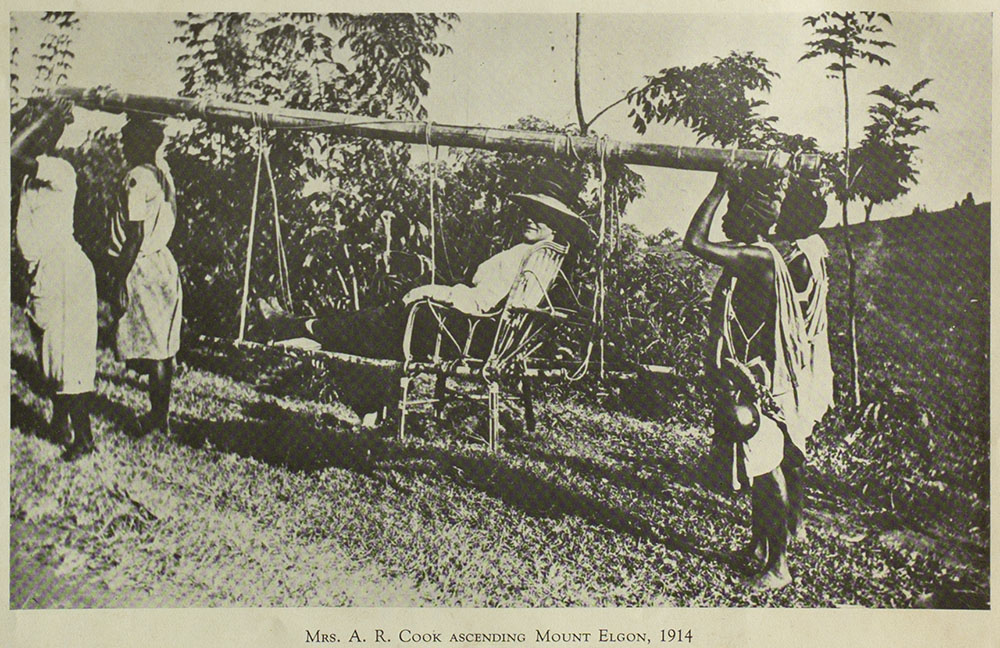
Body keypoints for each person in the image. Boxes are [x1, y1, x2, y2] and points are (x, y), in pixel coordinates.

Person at [683, 161, 833, 589]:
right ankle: (760, 548)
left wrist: (718, 187)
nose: (726, 218)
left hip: (762, 382)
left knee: (767, 473)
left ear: (751, 216)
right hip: (761, 377)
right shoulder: (769, 256)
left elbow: (693, 241)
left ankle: (778, 566)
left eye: (733, 210)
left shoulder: (758, 258)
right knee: (762, 466)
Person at [260, 183, 592, 362]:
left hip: (465, 336)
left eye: (541, 216)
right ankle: (302, 330)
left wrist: (433, 291)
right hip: (484, 338)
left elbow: (481, 303)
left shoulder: (526, 255)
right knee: (373, 323)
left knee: (376, 321)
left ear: (557, 225)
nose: (530, 219)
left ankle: (293, 326)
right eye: (530, 212)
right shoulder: (547, 260)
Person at [12, 98, 98, 461]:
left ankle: (84, 439)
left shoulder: (58, 169)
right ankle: (60, 424)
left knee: (67, 357)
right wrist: (32, 110)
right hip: (46, 271)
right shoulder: (32, 175)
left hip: (65, 268)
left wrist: (46, 116)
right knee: (51, 352)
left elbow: (9, 152)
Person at [110, 115, 183, 437]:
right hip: (163, 262)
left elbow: (135, 235)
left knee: (153, 349)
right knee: (162, 346)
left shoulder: (137, 178)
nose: (123, 146)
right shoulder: (163, 174)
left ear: (141, 142)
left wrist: (118, 280)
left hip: (142, 264)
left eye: (127, 140)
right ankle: (160, 415)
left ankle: (157, 418)